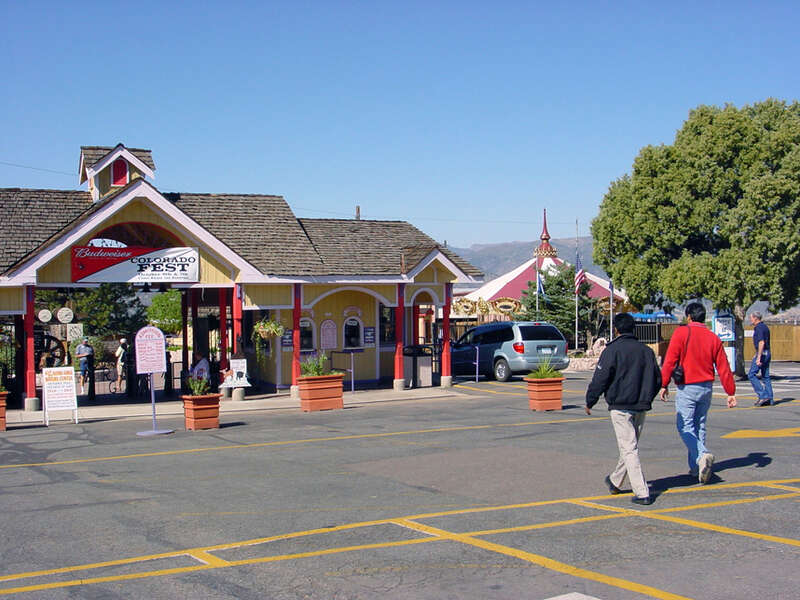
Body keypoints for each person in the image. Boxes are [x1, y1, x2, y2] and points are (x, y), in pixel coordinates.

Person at [586, 313, 662, 506]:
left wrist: (590, 400)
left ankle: (642, 491)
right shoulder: (646, 351)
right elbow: (657, 379)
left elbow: (600, 378)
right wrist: (647, 397)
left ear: (616, 330)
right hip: (640, 405)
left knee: (629, 448)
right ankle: (615, 480)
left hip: (620, 406)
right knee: (630, 446)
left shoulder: (612, 351)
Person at [660, 302, 737, 484]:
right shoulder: (713, 338)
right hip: (706, 386)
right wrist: (730, 391)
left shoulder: (681, 333)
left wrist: (663, 384)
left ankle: (702, 455)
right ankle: (697, 468)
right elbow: (723, 366)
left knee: (685, 426)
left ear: (688, 316)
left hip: (688, 386)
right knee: (699, 426)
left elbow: (670, 360)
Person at [748, 311, 773, 406]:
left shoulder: (758, 328)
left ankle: (763, 395)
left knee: (751, 374)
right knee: (766, 376)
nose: (750, 319)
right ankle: (770, 398)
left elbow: (761, 342)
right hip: (767, 353)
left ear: (755, 318)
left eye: (751, 317)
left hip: (762, 354)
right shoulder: (765, 327)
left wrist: (758, 357)